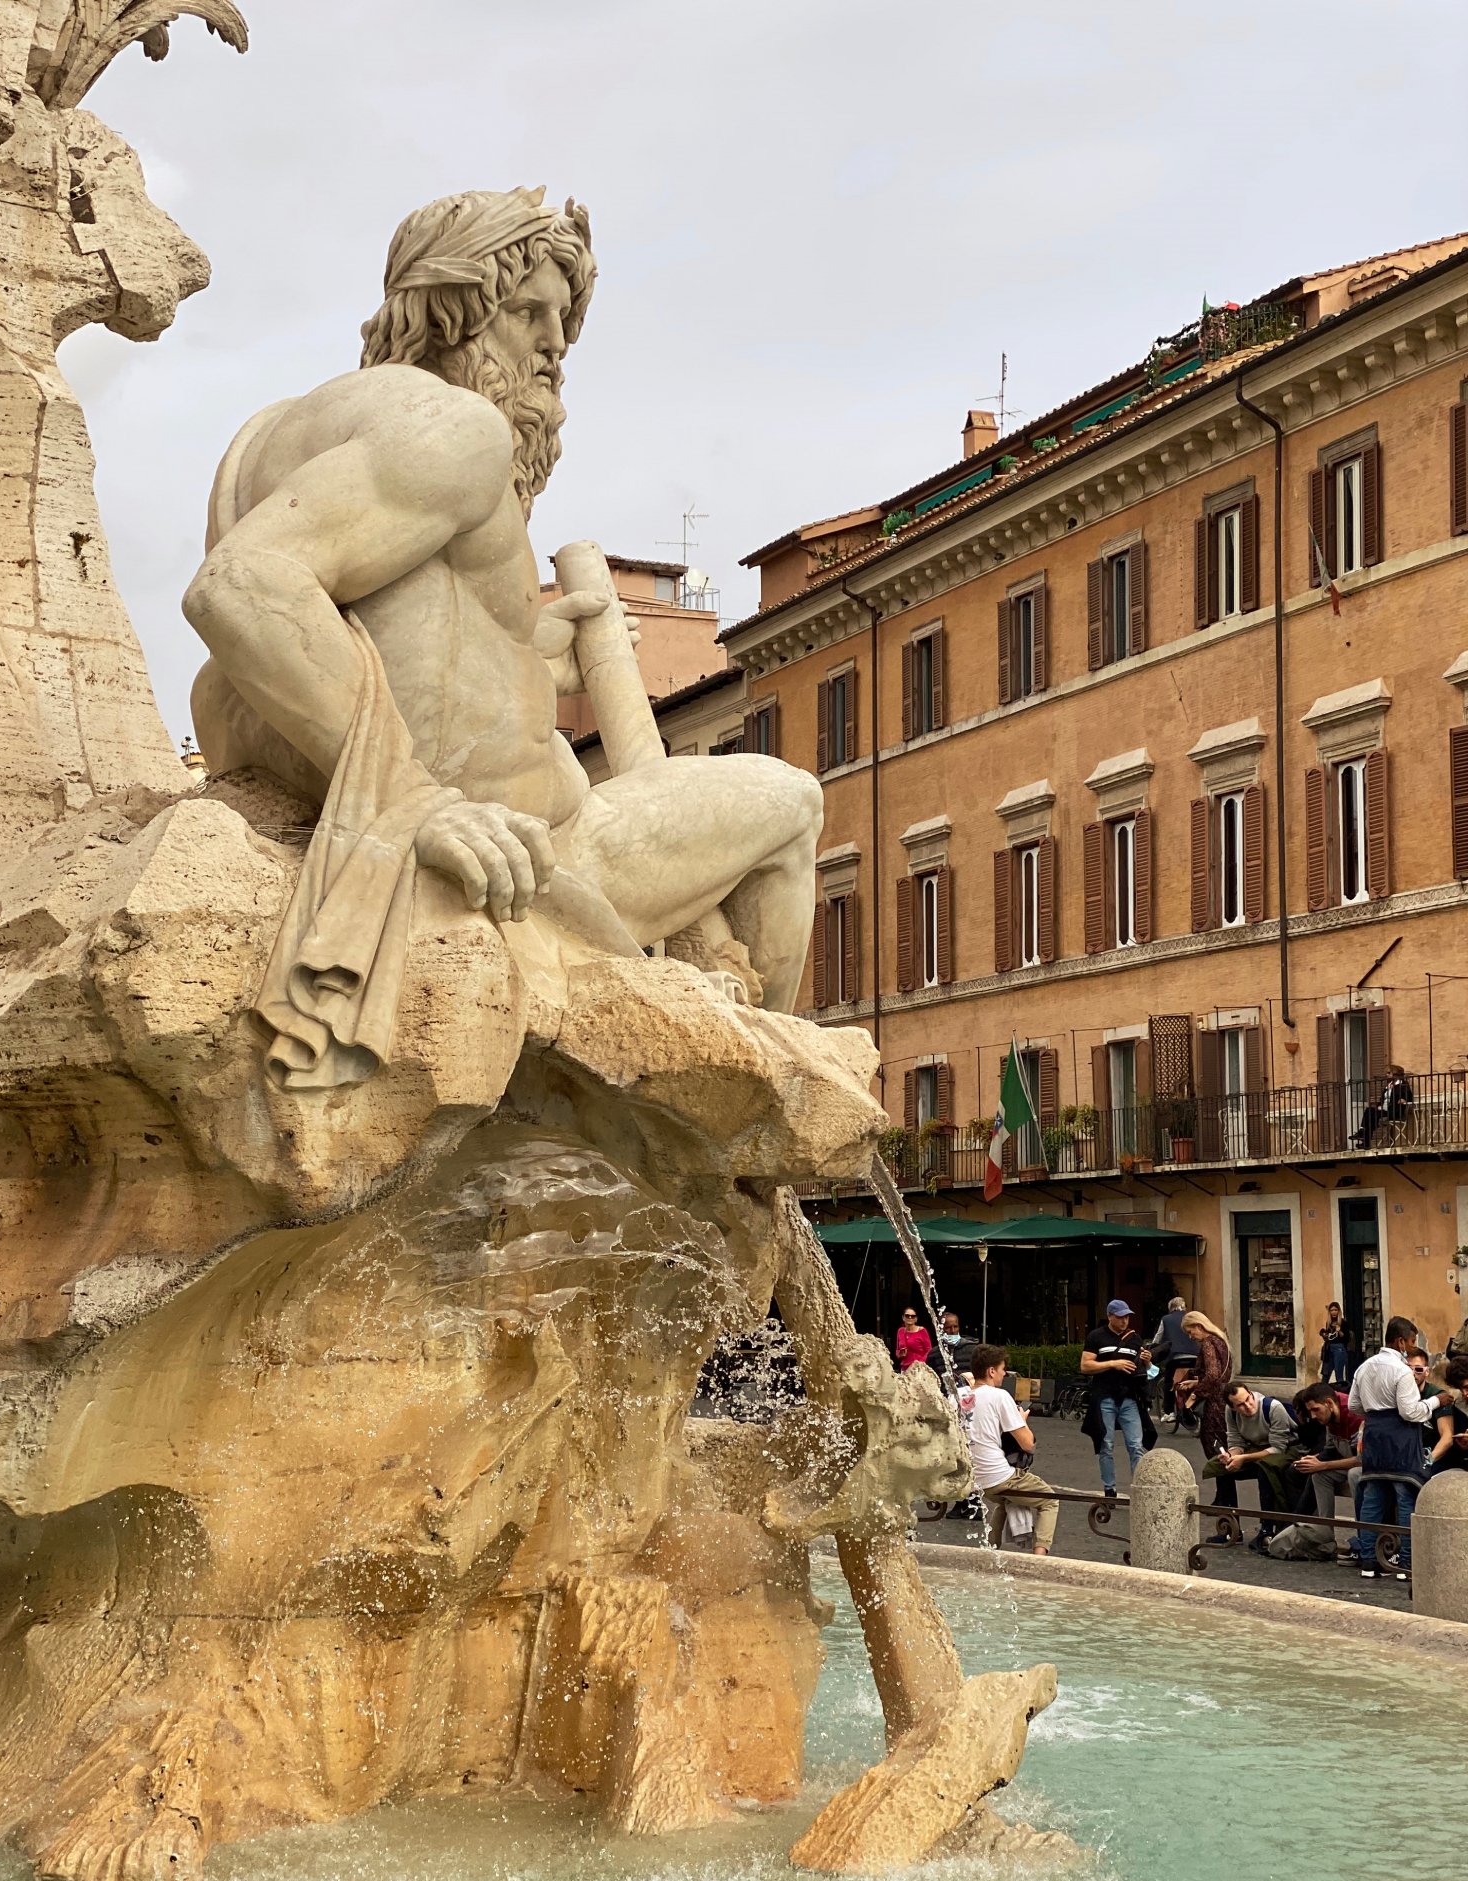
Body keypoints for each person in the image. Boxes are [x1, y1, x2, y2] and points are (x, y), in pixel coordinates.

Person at [186, 188, 825, 1090]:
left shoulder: (279, 431)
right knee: (791, 801)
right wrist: (420, 805)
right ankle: (759, 1105)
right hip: (528, 851)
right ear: (455, 310)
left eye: (563, 322)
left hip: (484, 824)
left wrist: (530, 653)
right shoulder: (457, 430)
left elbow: (370, 632)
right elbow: (241, 590)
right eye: (530, 313)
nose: (555, 348)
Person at [1350, 1315, 1445, 1580]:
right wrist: (1437, 1401)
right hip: (1400, 1439)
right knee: (1406, 1496)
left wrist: (1375, 1412)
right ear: (1401, 1341)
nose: (1413, 1347)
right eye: (1412, 1341)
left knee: (1372, 1497)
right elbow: (1410, 1412)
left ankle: (1369, 1562)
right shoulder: (1401, 1371)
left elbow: (1354, 1405)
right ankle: (1405, 1564)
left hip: (1375, 1435)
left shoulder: (1364, 1367)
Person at [966, 1345, 1059, 1555]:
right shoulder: (999, 1396)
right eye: (1002, 1369)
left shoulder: (961, 1396)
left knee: (1006, 1499)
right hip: (996, 1475)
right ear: (991, 1371)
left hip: (973, 1478)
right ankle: (1039, 1559)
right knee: (1050, 1500)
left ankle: (990, 1551)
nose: (1004, 1374)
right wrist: (1021, 1420)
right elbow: (1028, 1444)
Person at [1202, 1381, 1299, 1551]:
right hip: (1255, 1448)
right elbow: (1235, 1441)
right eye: (1240, 1405)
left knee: (1265, 1468)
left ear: (1251, 1393)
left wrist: (1243, 1458)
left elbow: (1278, 1448)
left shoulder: (1273, 1408)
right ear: (1233, 1407)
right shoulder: (1231, 1413)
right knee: (1221, 1468)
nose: (1248, 1406)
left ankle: (1267, 1529)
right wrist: (1231, 1456)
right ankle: (1230, 1529)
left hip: (1284, 1449)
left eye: (1248, 1399)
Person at [1079, 1299, 1158, 1497]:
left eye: (1127, 1317)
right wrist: (1113, 1364)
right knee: (1106, 1445)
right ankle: (1110, 1489)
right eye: (1120, 1317)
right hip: (1105, 1396)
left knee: (1136, 1445)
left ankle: (1139, 1490)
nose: (1124, 1321)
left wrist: (1147, 1362)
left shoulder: (1134, 1338)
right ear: (1110, 1316)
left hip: (1129, 1398)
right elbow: (1085, 1366)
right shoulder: (1096, 1336)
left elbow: (1145, 1371)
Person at [1288, 1383, 1361, 1533]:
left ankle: (1364, 1534)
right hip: (1349, 1460)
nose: (1313, 1416)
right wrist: (1310, 1460)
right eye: (1310, 1411)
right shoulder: (1330, 1415)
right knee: (1317, 1476)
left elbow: (1361, 1459)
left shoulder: (1354, 1415)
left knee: (1353, 1474)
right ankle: (1325, 1533)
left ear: (1329, 1403)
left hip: (1367, 1466)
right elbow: (1329, 1449)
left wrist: (1322, 1465)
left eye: (1316, 1410)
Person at [1177, 1310, 1232, 1467]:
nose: (1191, 1336)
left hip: (1213, 1403)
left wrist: (1194, 1395)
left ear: (1199, 1326)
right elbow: (1218, 1375)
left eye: (1190, 1331)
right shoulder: (1221, 1341)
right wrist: (1196, 1383)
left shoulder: (1208, 1343)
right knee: (1224, 1444)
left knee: (1215, 1448)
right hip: (1223, 1399)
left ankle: (1224, 1482)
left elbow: (1213, 1375)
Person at [1149, 1295, 1201, 1424]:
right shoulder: (1191, 1317)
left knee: (1169, 1381)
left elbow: (1158, 1337)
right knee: (1197, 1378)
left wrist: (1152, 1346)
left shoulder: (1166, 1319)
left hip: (1175, 1356)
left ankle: (1169, 1412)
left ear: (1171, 1307)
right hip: (1195, 1355)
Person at [1353, 1065, 1413, 1147]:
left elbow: (1409, 1097)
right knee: (1369, 1111)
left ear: (1395, 1074)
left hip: (1395, 1111)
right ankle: (1362, 1132)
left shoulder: (1403, 1084)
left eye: (1389, 1073)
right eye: (1386, 1073)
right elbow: (1382, 1099)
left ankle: (1365, 1140)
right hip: (1385, 1110)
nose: (1386, 1075)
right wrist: (1379, 1105)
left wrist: (1403, 1100)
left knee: (1373, 1117)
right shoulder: (1388, 1085)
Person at [938, 1309, 978, 1386]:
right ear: (941, 1329)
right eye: (948, 1327)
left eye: (955, 1327)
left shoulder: (972, 1350)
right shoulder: (934, 1354)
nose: (953, 1331)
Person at [1317, 1302, 1353, 1388]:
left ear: (1339, 1311)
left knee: (1338, 1374)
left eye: (1335, 1310)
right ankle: (1322, 1391)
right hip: (1329, 1349)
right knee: (1326, 1373)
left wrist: (1339, 1331)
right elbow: (1329, 1337)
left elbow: (1346, 1338)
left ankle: (1340, 1391)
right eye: (1332, 1310)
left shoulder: (1343, 1322)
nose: (1334, 1312)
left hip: (1339, 1349)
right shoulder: (1329, 1323)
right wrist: (1324, 1335)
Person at [894, 1308, 933, 1373]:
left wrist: (920, 1364)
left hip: (918, 1368)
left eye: (913, 1316)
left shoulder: (922, 1331)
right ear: (903, 1318)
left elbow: (929, 1351)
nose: (910, 1317)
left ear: (916, 1319)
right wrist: (900, 1354)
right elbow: (897, 1350)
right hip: (904, 1368)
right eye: (907, 1315)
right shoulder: (900, 1331)